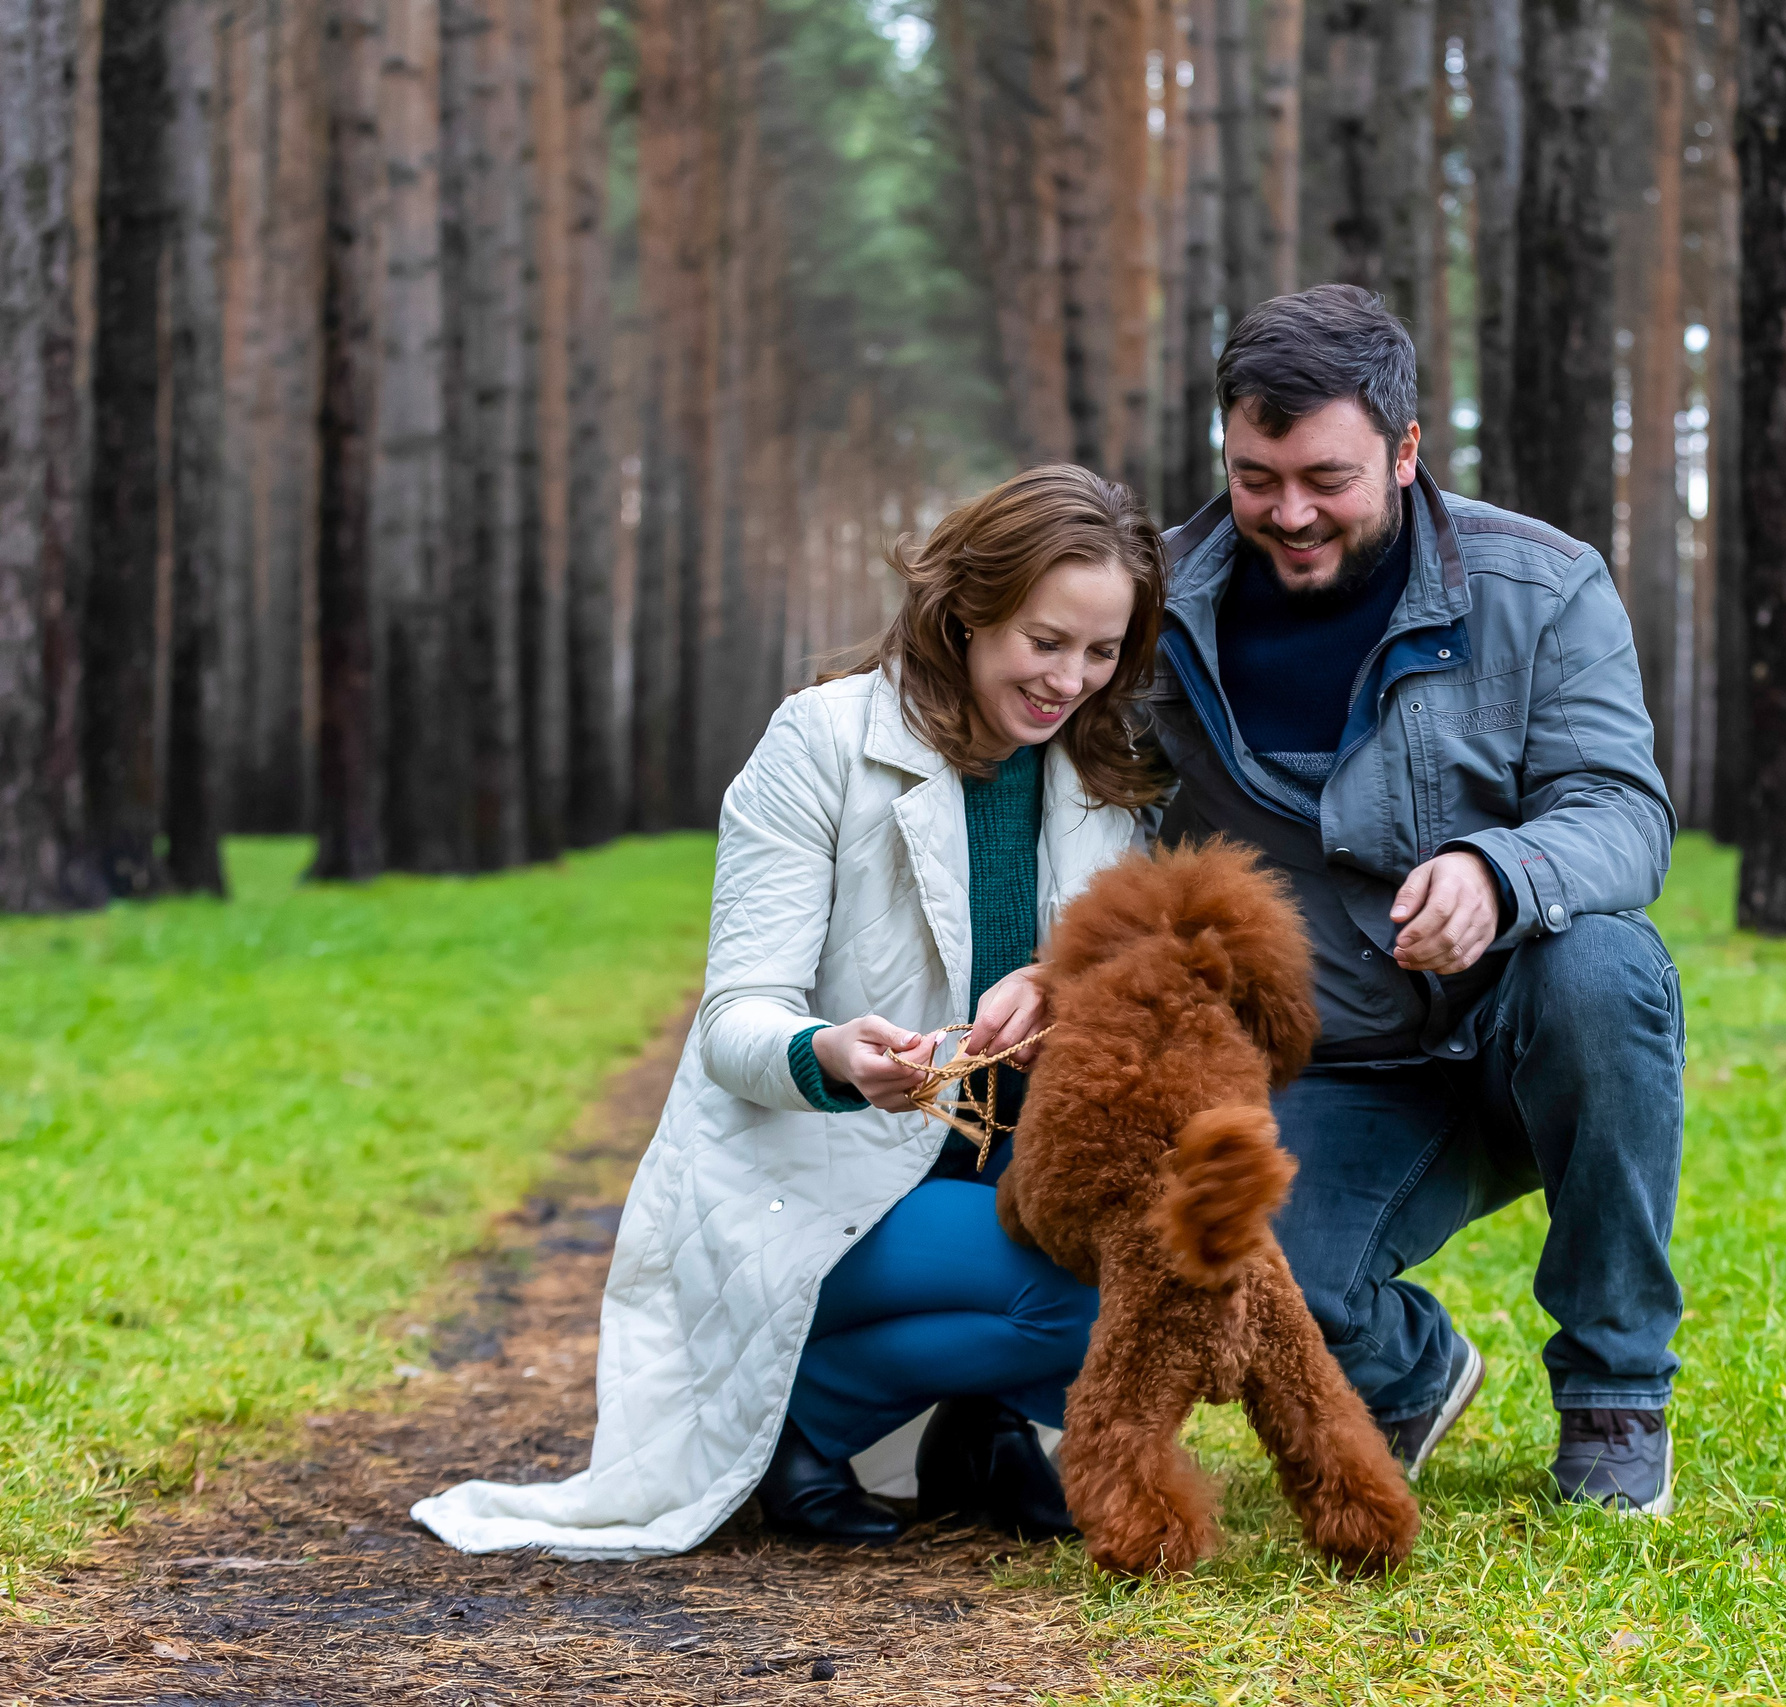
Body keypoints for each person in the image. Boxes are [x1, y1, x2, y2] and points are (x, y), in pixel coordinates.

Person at [413, 464, 1166, 1556]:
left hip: (1013, 1169)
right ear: (966, 612)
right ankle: (806, 1417)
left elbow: (1128, 984)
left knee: (1179, 1257)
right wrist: (831, 1054)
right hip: (818, 1176)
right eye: (1045, 641)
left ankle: (980, 1432)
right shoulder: (817, 743)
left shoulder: (1100, 778)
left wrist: (1061, 982)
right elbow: (736, 1022)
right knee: (1084, 1297)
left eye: (1102, 653)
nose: (1070, 681)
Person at [1144, 285, 1685, 1516]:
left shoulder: (1543, 587)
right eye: (1254, 475)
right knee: (1243, 1260)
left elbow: (1625, 813)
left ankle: (1614, 1395)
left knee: (1605, 967)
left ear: (1403, 448)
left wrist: (1504, 872)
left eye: (1325, 478)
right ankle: (1409, 1369)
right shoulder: (1158, 604)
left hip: (1519, 1026)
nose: (1289, 515)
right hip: (1334, 1064)